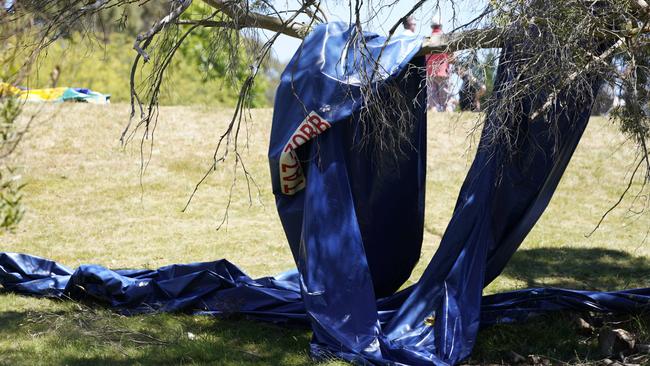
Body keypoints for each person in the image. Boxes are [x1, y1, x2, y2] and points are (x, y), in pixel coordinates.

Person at [426, 22, 451, 112]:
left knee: (433, 101)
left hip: (430, 72)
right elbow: (452, 57)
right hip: (443, 71)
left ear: (431, 26)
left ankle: (435, 121)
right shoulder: (446, 38)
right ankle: (448, 120)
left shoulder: (427, 39)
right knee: (446, 101)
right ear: (441, 26)